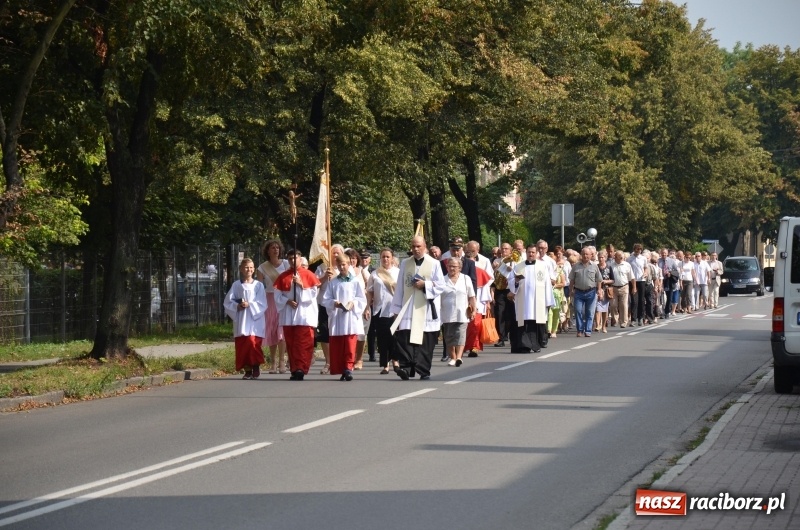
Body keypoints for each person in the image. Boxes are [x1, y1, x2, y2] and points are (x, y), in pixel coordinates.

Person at [389, 236, 445, 380]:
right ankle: (406, 369)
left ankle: (423, 370)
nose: (415, 249)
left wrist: (425, 285)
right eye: (413, 246)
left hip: (425, 309)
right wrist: (396, 310)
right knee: (405, 339)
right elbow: (400, 287)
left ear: (425, 246)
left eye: (418, 246)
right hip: (408, 308)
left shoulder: (434, 263)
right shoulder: (405, 263)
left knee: (425, 343)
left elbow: (441, 285)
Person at [274, 250, 320, 381]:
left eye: (295, 258)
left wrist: (301, 284)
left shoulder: (308, 274)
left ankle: (301, 368)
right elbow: (277, 296)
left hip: (304, 315)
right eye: (290, 259)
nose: (293, 261)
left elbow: (313, 294)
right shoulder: (283, 276)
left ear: (300, 259)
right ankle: (294, 369)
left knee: (303, 344)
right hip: (289, 315)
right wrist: (287, 301)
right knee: (291, 344)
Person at [322, 254, 367, 381]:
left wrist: (354, 303)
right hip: (337, 316)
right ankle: (341, 368)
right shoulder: (333, 282)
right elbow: (326, 299)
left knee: (349, 344)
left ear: (348, 264)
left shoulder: (355, 281)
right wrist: (334, 303)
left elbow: (361, 299)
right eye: (339, 265)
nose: (341, 267)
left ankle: (348, 367)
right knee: (339, 345)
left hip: (350, 317)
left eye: (344, 264)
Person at [224, 258, 268, 379]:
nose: (249, 270)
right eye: (246, 267)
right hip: (242, 319)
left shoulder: (258, 285)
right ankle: (247, 370)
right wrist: (237, 306)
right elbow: (228, 302)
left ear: (254, 269)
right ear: (241, 269)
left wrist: (250, 304)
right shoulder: (236, 285)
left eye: (251, 267)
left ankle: (256, 366)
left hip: (255, 320)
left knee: (253, 343)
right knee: (243, 345)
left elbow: (262, 303)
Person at [508, 244, 555, 353]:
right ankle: (524, 345)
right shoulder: (518, 267)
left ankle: (536, 344)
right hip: (523, 300)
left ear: (536, 253)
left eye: (533, 252)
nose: (531, 254)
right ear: (526, 253)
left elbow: (547, 284)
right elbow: (511, 281)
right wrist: (515, 281)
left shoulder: (542, 266)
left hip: (538, 301)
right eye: (529, 252)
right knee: (523, 322)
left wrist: (548, 300)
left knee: (536, 322)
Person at [256, 239, 289, 374]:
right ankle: (273, 362)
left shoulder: (286, 264)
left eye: (277, 247)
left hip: (283, 298)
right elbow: (258, 287)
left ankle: (282, 361)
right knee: (271, 329)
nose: (275, 250)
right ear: (268, 251)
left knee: (281, 329)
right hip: (269, 299)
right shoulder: (262, 267)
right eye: (272, 248)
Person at [367, 248, 400, 374]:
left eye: (388, 256)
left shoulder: (398, 272)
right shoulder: (375, 274)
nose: (385, 259)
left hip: (395, 310)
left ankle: (395, 361)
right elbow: (370, 291)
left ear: (392, 258)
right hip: (379, 310)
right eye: (383, 257)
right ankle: (385, 364)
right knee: (382, 338)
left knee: (394, 337)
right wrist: (367, 307)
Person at [440, 258, 476, 366]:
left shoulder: (465, 279)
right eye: (449, 266)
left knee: (460, 334)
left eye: (454, 266)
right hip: (447, 312)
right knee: (449, 336)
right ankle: (453, 357)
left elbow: (471, 296)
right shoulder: (442, 280)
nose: (451, 268)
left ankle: (459, 357)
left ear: (459, 268)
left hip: (462, 312)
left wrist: (474, 310)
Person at [315, 244, 345, 374]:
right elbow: (314, 284)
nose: (336, 255)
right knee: (324, 333)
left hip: (339, 306)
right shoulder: (322, 268)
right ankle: (328, 361)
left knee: (338, 333)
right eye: (333, 253)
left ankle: (339, 360)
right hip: (324, 304)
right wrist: (324, 277)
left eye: (338, 253)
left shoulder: (344, 268)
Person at [569, 247, 603, 337]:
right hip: (578, 292)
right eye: (583, 254)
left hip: (591, 292)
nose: (585, 256)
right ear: (581, 254)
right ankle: (580, 330)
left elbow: (599, 279)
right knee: (578, 311)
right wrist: (570, 290)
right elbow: (572, 279)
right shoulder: (576, 266)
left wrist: (599, 290)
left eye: (587, 254)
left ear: (591, 255)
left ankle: (588, 330)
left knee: (590, 312)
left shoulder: (594, 266)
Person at [612, 251, 635, 328]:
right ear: (615, 257)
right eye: (620, 256)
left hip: (624, 287)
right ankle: (615, 320)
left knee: (624, 305)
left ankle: (623, 322)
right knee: (613, 305)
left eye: (622, 256)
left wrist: (634, 287)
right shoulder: (611, 265)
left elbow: (632, 277)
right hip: (613, 287)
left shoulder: (627, 265)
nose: (622, 258)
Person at [627, 243, 647, 326]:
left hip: (641, 280)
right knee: (634, 300)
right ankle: (633, 319)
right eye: (637, 249)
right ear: (634, 249)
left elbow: (646, 267)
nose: (638, 251)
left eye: (640, 249)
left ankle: (640, 318)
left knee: (641, 300)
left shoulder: (643, 258)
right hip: (632, 280)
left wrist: (645, 273)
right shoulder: (629, 259)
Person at [595, 252, 614, 333]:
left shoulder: (609, 267)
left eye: (602, 257)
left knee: (605, 309)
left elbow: (613, 280)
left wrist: (606, 281)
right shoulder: (595, 267)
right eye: (599, 257)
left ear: (605, 258)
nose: (601, 259)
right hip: (597, 289)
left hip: (606, 290)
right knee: (597, 308)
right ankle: (597, 325)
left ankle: (603, 326)